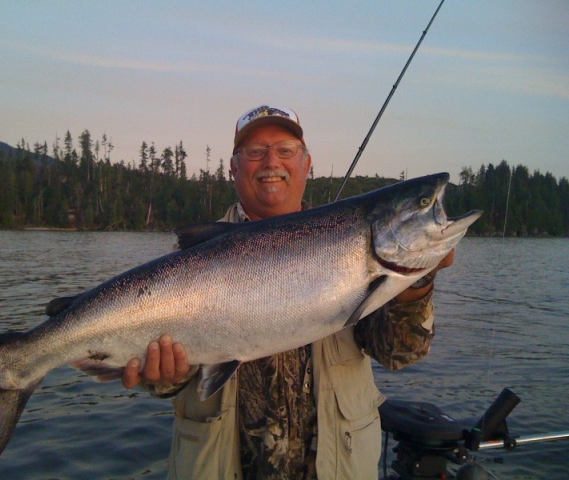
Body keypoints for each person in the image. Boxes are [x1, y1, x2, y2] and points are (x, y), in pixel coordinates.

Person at [122, 105, 454, 479]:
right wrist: (165, 375)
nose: (270, 162)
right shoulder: (185, 264)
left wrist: (417, 280)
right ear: (234, 168)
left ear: (307, 163)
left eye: (285, 150)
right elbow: (167, 382)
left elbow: (400, 353)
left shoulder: (351, 248)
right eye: (254, 152)